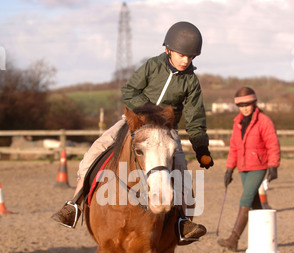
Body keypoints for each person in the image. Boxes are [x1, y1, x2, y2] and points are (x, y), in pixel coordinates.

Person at [52, 21, 214, 241]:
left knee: (182, 172)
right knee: (95, 150)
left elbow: (195, 117)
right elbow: (129, 91)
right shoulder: (151, 66)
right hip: (134, 121)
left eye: (191, 57)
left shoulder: (191, 82)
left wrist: (201, 147)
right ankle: (75, 204)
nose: (186, 60)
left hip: (166, 130)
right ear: (168, 50)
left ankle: (182, 222)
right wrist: (146, 112)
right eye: (182, 55)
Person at [218, 86, 280, 251]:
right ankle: (265, 238)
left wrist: (273, 165)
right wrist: (229, 169)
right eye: (241, 105)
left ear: (254, 103)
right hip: (243, 168)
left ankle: (234, 238)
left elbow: (272, 144)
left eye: (248, 104)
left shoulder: (264, 121)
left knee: (245, 200)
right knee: (255, 204)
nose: (245, 108)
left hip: (259, 167)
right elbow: (234, 148)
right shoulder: (237, 123)